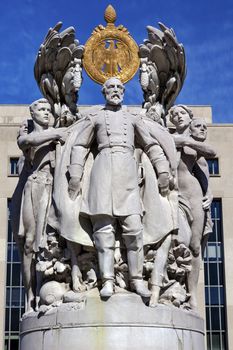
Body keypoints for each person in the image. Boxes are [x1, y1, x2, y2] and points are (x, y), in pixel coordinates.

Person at [67, 77, 171, 298]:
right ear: (104, 92)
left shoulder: (133, 118)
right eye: (111, 88)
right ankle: (107, 280)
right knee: (103, 231)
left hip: (127, 173)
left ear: (124, 91)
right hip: (102, 171)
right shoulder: (95, 117)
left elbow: (151, 144)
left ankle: (136, 279)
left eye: (119, 87)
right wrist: (75, 174)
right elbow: (80, 145)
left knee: (134, 230)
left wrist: (162, 170)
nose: (115, 91)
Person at [11, 98, 65, 312]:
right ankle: (30, 295)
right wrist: (57, 132)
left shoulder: (58, 136)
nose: (45, 113)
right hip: (34, 188)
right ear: (32, 114)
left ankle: (46, 290)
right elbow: (27, 142)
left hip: (54, 189)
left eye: (47, 110)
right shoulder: (29, 136)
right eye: (41, 110)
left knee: (49, 243)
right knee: (29, 243)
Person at [169, 105, 216, 310]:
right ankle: (173, 285)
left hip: (194, 195)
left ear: (189, 117)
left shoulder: (193, 142)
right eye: (174, 114)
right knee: (178, 240)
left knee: (195, 247)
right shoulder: (166, 134)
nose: (178, 116)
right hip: (173, 195)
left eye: (181, 113)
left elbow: (209, 158)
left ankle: (191, 294)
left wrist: (209, 192)